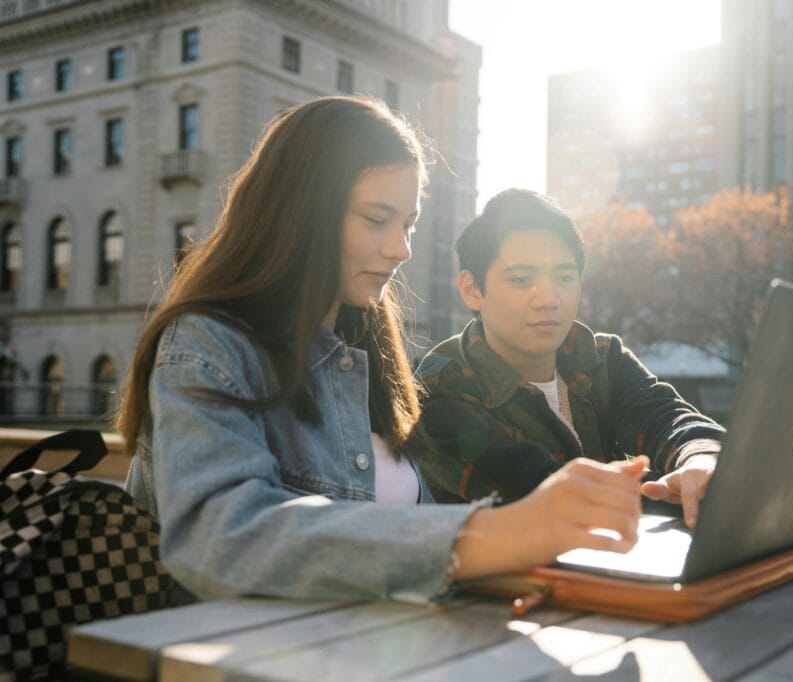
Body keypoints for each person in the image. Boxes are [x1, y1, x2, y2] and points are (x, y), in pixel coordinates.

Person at [117, 96, 647, 604]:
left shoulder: (371, 356)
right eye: (376, 219)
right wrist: (492, 535)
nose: (402, 248)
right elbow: (222, 538)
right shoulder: (208, 344)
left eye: (408, 224)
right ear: (299, 211)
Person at [416, 189, 726, 528]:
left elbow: (667, 415)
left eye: (564, 277)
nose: (548, 299)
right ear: (472, 290)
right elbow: (548, 494)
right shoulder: (439, 387)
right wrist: (672, 489)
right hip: (509, 579)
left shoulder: (600, 358)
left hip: (614, 566)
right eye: (522, 279)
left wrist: (701, 458)